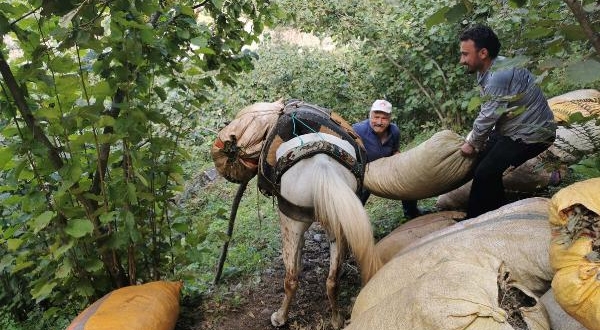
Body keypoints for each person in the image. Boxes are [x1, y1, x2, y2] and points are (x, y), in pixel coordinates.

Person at [458, 24, 557, 219]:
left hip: (533, 134)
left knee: (484, 173)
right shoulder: (487, 70)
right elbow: (491, 110)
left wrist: (472, 143)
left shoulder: (497, 75)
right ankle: (496, 212)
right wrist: (476, 142)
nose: (462, 60)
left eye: (465, 54)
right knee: (483, 164)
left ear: (483, 53)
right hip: (513, 128)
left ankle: (474, 221)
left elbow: (488, 115)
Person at [352, 99, 422, 219]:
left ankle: (411, 213)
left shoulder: (394, 131)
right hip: (365, 173)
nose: (379, 122)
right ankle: (348, 226)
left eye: (384, 118)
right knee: (356, 203)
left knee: (408, 178)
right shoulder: (358, 130)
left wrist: (403, 163)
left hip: (385, 168)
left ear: (389, 119)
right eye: (376, 117)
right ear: (370, 116)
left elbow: (395, 151)